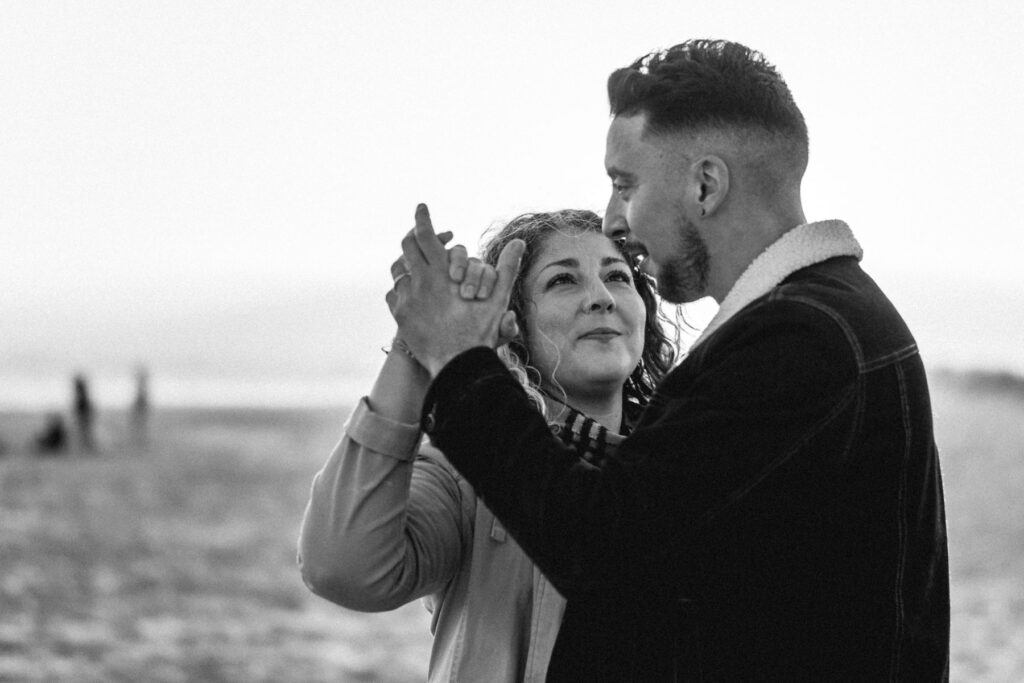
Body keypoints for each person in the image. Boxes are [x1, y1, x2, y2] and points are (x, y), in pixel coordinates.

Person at [388, 40, 950, 680]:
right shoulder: (824, 318)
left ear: (705, 184)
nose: (612, 218)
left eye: (624, 184)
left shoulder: (801, 338)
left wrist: (459, 360)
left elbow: (600, 544)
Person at [298, 210, 676, 682]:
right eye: (563, 281)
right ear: (510, 324)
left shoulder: (685, 460)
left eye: (618, 277)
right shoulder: (472, 473)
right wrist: (418, 346)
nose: (600, 298)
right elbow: (344, 569)